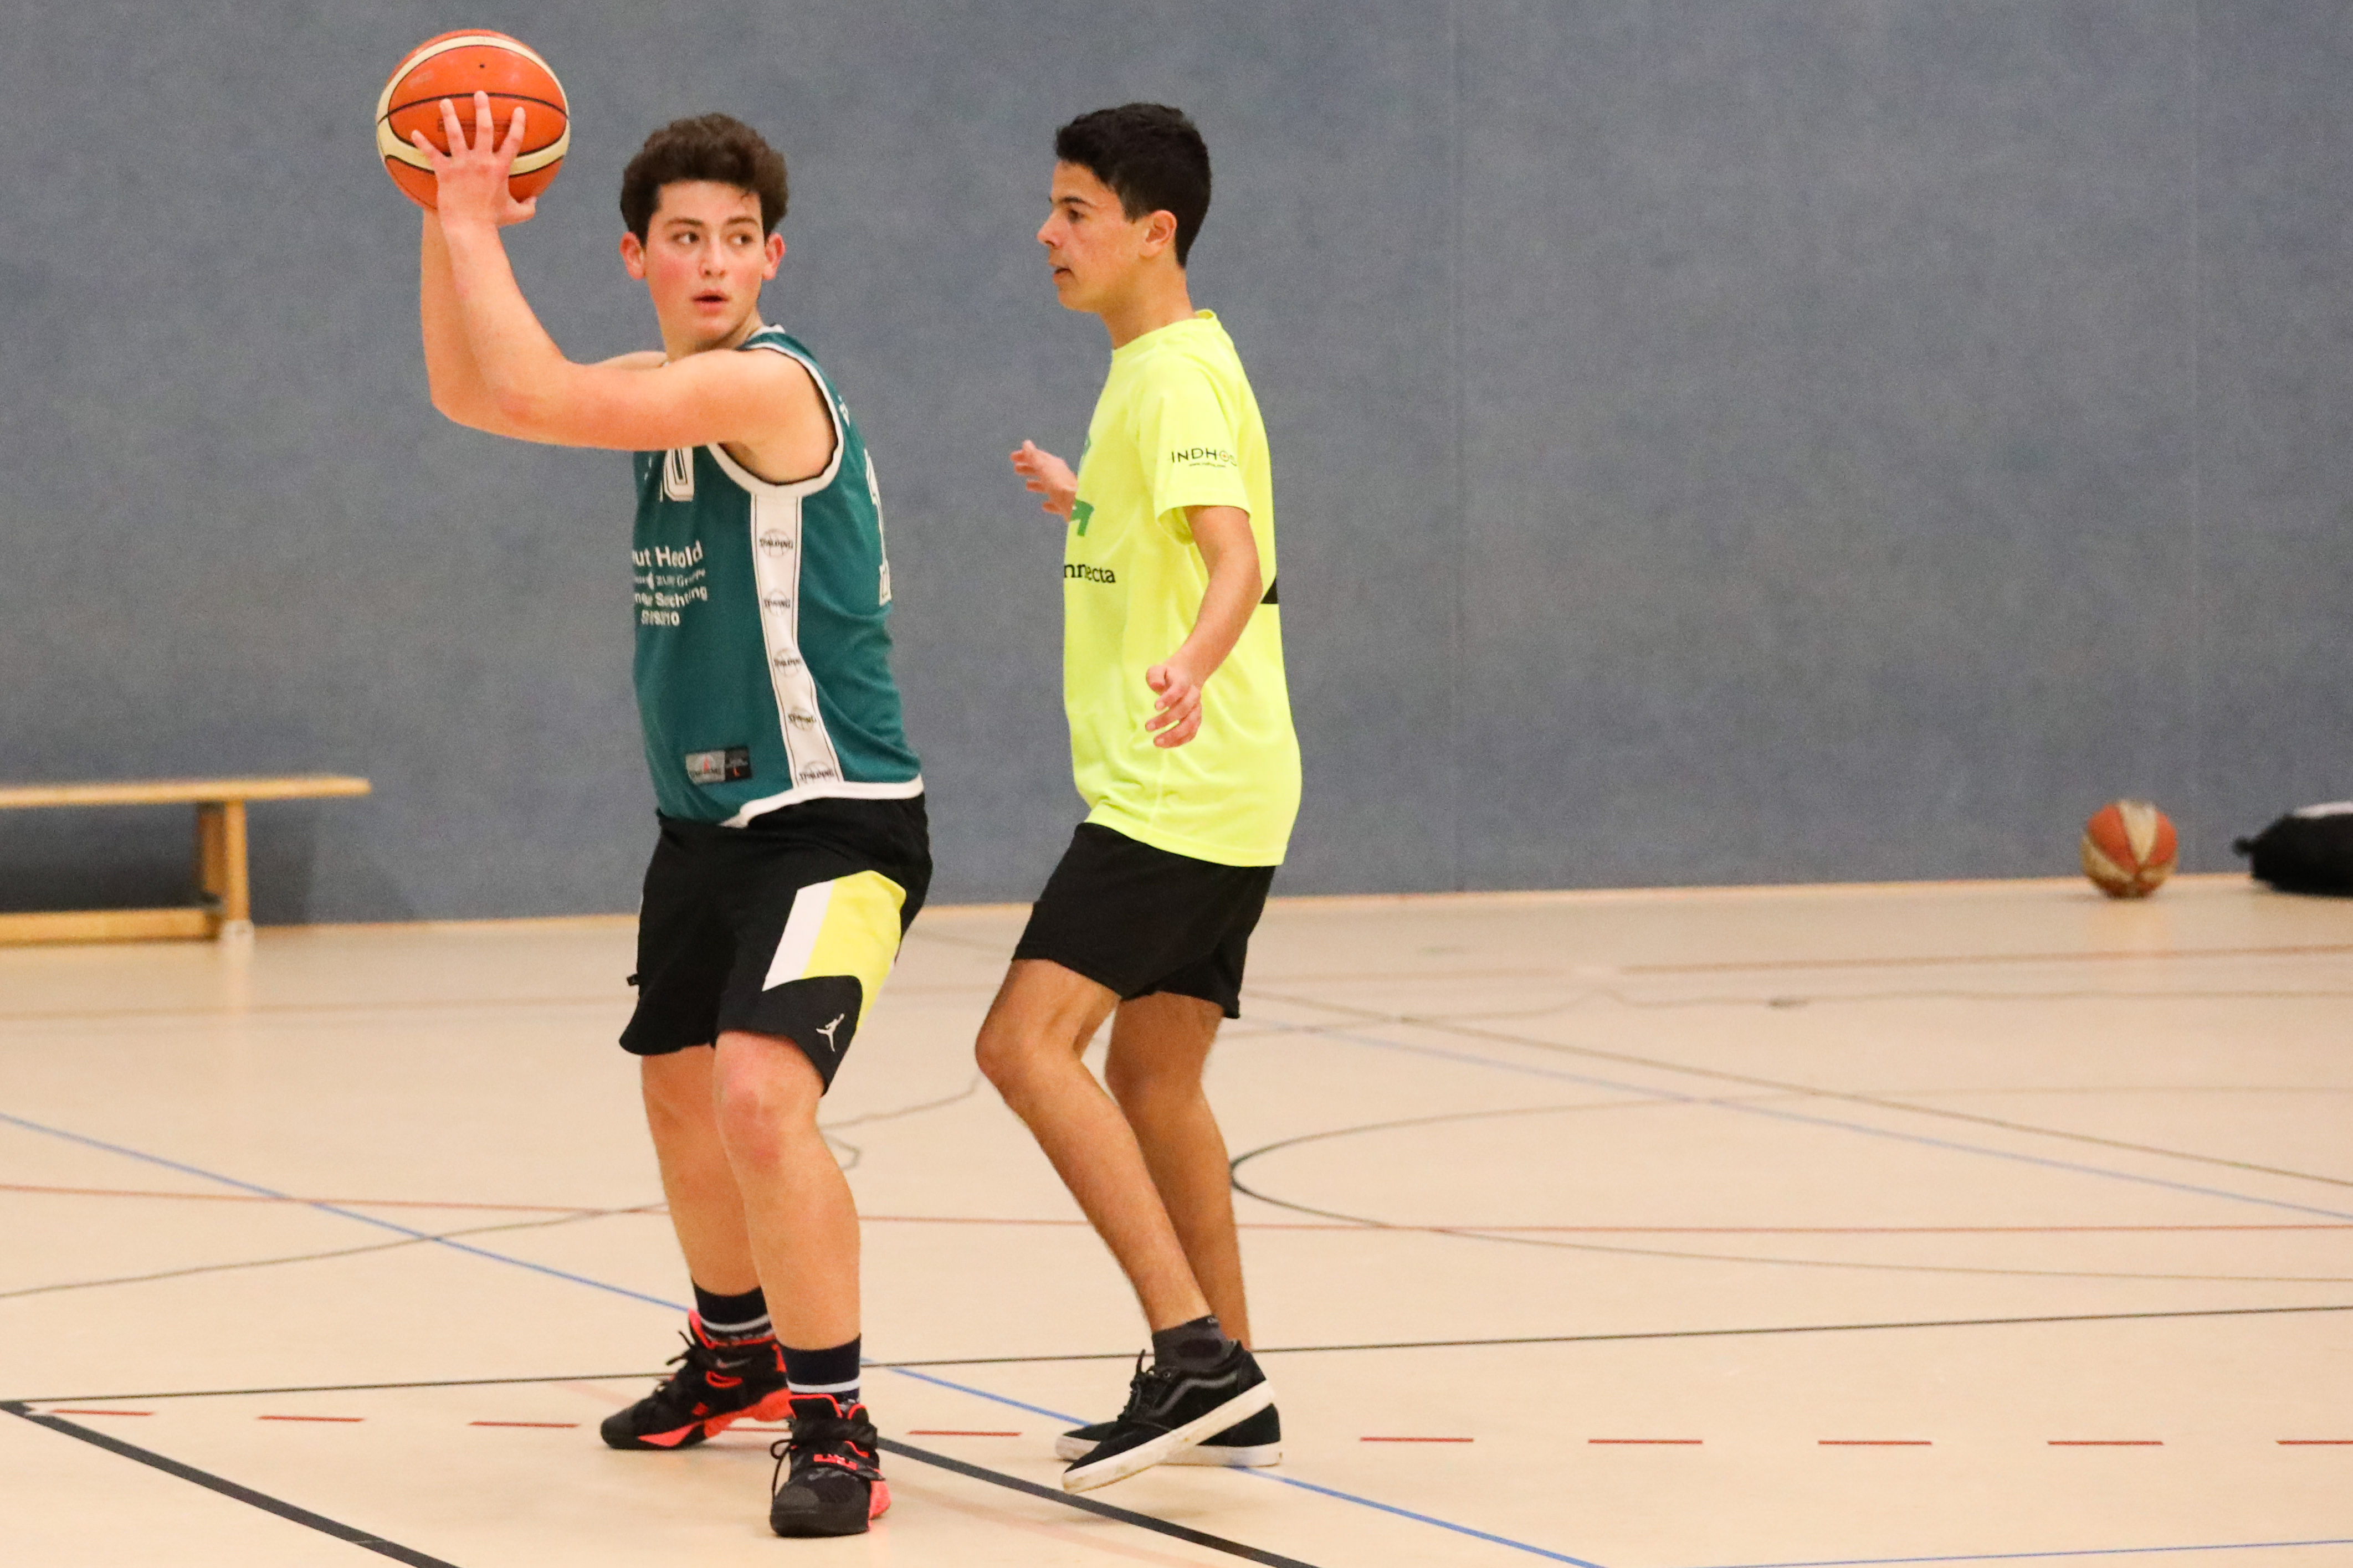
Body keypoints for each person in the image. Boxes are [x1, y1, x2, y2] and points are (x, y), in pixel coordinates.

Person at [410, 99, 924, 1538]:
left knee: (760, 1098)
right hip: (704, 827)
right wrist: (439, 225)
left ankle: (836, 1425)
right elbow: (474, 393)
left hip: (836, 821)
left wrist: (471, 221)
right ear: (635, 254)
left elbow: (532, 392)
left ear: (772, 260)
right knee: (681, 1093)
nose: (713, 261)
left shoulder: (766, 387)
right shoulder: (664, 382)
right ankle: (735, 1350)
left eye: (738, 239)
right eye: (684, 238)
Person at [978, 103, 1301, 1494]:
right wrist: (1087, 504)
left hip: (1176, 787)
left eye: (1075, 212)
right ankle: (1234, 1379)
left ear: (1153, 230)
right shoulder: (1170, 367)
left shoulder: (1168, 381)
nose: (1048, 234)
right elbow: (1174, 531)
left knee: (1022, 1045)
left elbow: (1234, 559)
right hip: (1235, 786)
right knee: (1155, 1080)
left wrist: (1189, 664)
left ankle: (1192, 1354)